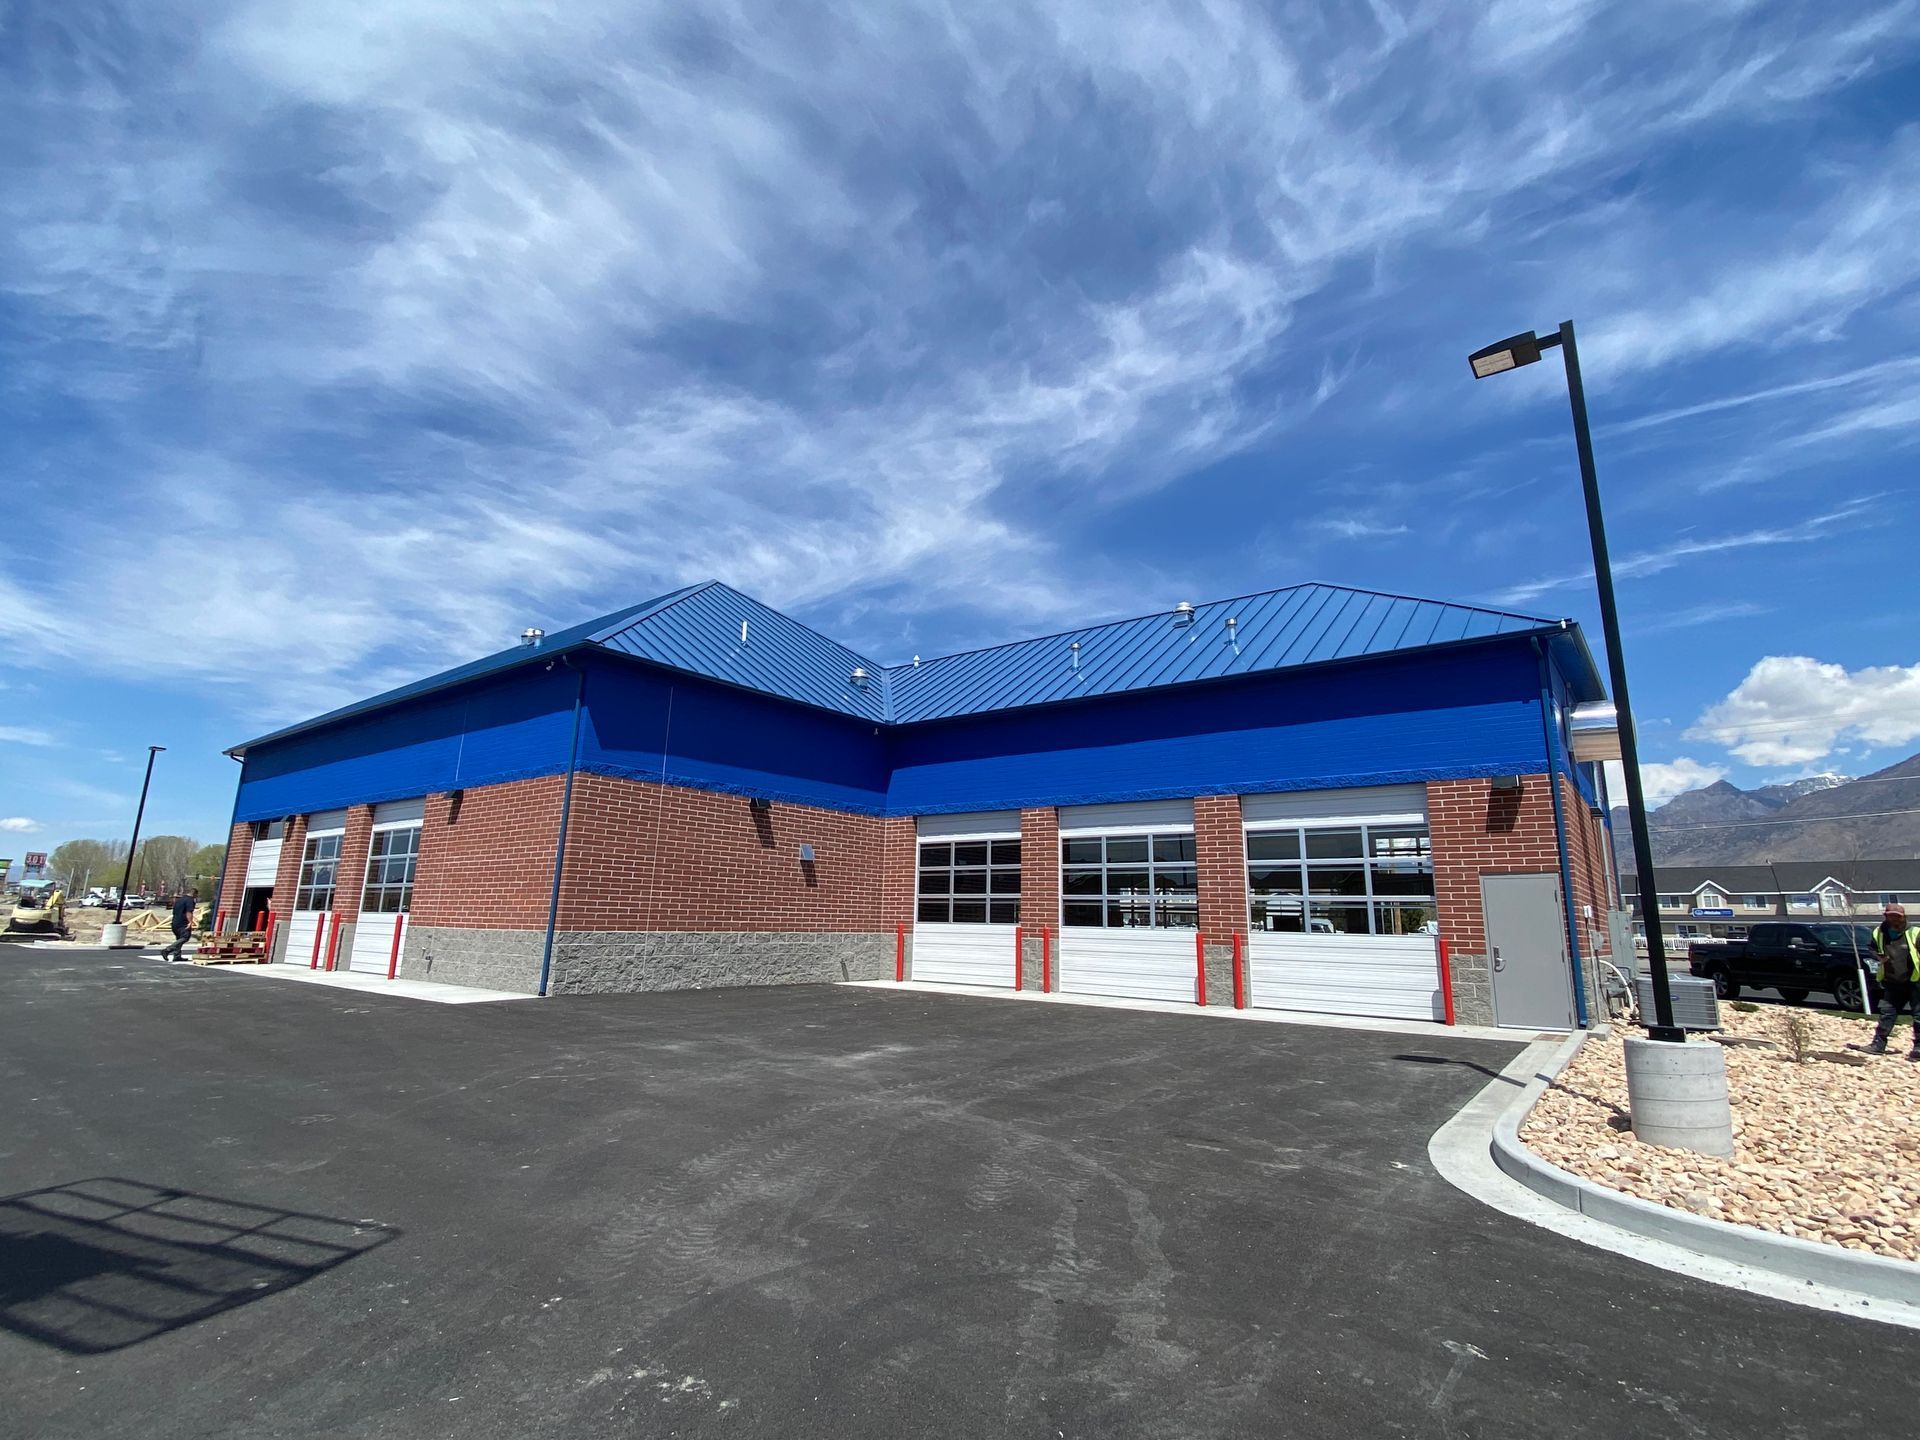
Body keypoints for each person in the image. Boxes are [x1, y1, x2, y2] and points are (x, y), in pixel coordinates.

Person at [1852, 904, 1920, 1058]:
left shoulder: (1915, 933)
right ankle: (1878, 1045)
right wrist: (1879, 958)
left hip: (1915, 980)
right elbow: (1871, 948)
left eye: (1898, 916)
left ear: (1903, 917)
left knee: (1918, 1015)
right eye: (1891, 915)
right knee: (1887, 1013)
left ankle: (1918, 1048)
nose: (1895, 918)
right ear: (1886, 916)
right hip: (1892, 980)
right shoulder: (1879, 933)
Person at [161, 888, 197, 963]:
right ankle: (167, 950)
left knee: (179, 939)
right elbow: (189, 912)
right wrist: (190, 922)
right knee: (185, 937)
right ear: (194, 894)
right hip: (183, 923)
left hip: (175, 922)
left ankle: (177, 956)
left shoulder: (179, 900)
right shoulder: (190, 900)